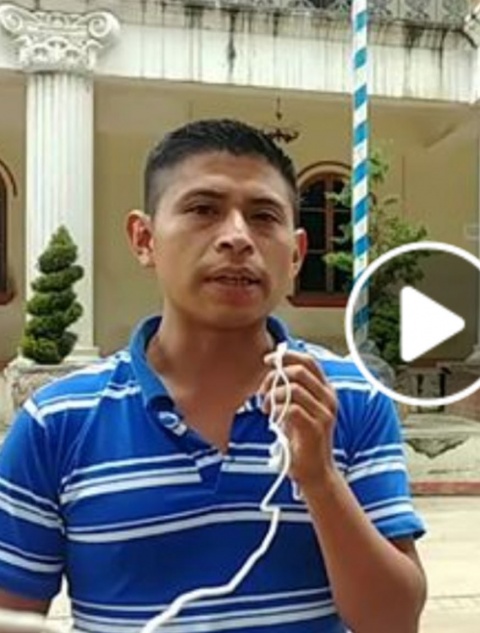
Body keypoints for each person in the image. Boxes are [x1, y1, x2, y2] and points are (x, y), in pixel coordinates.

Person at [0, 119, 427, 632]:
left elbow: (394, 622)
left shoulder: (350, 399)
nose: (237, 238)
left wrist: (318, 478)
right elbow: (13, 616)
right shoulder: (60, 421)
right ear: (144, 238)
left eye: (263, 215)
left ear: (295, 254)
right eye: (203, 210)